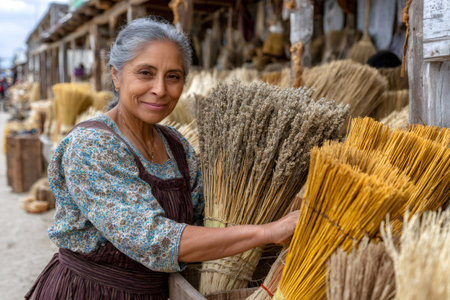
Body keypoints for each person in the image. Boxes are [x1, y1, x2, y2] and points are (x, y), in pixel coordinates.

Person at [25, 17, 299, 299]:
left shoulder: (176, 145)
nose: (160, 89)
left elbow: (204, 221)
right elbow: (154, 240)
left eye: (173, 77)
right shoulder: (91, 146)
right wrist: (267, 232)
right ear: (116, 75)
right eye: (145, 73)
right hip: (91, 292)